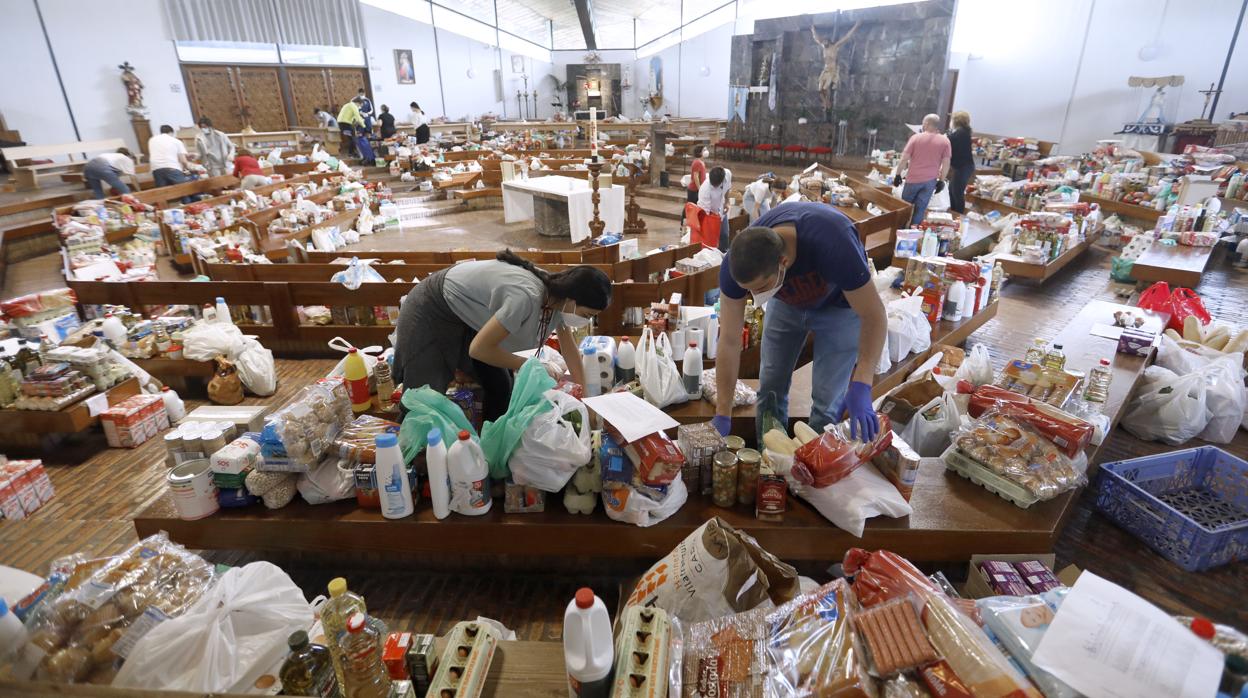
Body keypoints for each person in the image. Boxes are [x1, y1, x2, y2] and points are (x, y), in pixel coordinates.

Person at [711, 202, 887, 445]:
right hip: (786, 304)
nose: (753, 296)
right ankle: (770, 461)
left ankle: (813, 467)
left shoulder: (834, 242)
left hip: (840, 307)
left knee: (827, 399)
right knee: (770, 386)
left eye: (760, 288)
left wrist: (862, 382)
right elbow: (729, 341)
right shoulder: (735, 266)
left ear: (783, 262)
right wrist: (723, 412)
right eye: (747, 291)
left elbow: (874, 314)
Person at [392, 250, 612, 421]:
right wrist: (531, 365)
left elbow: (570, 349)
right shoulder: (527, 297)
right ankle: (411, 464)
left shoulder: (558, 298)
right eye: (586, 314)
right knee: (422, 401)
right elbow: (479, 349)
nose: (585, 321)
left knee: (501, 386)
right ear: (573, 300)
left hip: (469, 316)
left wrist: (585, 399)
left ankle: (491, 454)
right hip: (433, 307)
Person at [893, 113, 950, 226]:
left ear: (927, 123)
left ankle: (899, 232)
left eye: (923, 123)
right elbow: (946, 163)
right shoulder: (945, 141)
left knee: (905, 207)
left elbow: (904, 159)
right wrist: (941, 181)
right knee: (920, 209)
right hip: (930, 182)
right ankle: (913, 234)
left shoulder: (915, 138)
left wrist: (898, 174)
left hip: (913, 179)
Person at [148, 125, 202, 203]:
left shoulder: (152, 140)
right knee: (184, 191)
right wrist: (191, 168)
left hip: (156, 169)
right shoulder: (176, 141)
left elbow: (165, 153)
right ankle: (188, 206)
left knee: (162, 194)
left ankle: (165, 210)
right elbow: (183, 161)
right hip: (172, 168)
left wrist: (186, 155)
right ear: (171, 132)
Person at [697, 165, 733, 250]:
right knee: (711, 238)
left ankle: (723, 256)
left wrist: (727, 202)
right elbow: (705, 213)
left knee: (724, 234)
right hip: (709, 214)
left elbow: (727, 188)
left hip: (721, 211)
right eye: (713, 185)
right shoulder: (705, 189)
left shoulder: (727, 174)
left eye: (716, 185)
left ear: (722, 180)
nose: (715, 186)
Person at [947, 111, 975, 214]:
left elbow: (949, 140)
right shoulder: (964, 132)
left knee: (957, 192)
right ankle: (953, 212)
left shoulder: (961, 133)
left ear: (956, 120)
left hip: (963, 167)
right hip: (962, 166)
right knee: (952, 190)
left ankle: (958, 215)